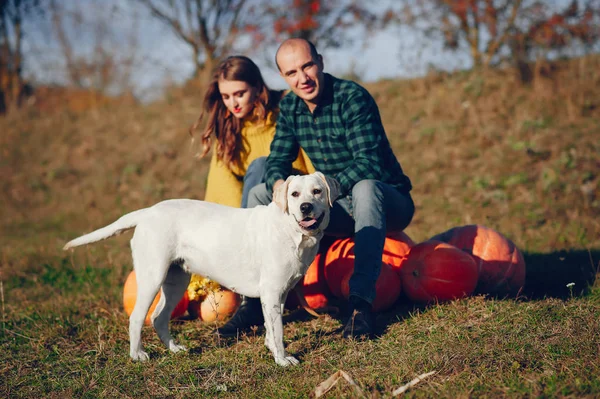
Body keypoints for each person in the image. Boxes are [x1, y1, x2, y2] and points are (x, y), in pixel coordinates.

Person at [245, 38, 415, 339]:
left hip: (386, 200)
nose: (303, 78)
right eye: (292, 72)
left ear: (320, 62)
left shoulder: (352, 98)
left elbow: (370, 163)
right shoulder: (291, 108)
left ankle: (360, 305)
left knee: (364, 187)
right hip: (333, 207)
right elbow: (278, 160)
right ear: (283, 77)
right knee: (261, 193)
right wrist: (279, 188)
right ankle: (254, 302)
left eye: (307, 66)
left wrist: (328, 193)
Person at [189, 55, 314, 336]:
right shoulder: (228, 128)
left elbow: (310, 167)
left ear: (258, 87)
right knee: (257, 174)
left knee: (261, 165)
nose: (233, 103)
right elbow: (223, 197)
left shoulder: (285, 111)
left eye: (240, 93)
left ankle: (254, 303)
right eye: (226, 96)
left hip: (296, 206)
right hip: (259, 227)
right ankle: (253, 297)